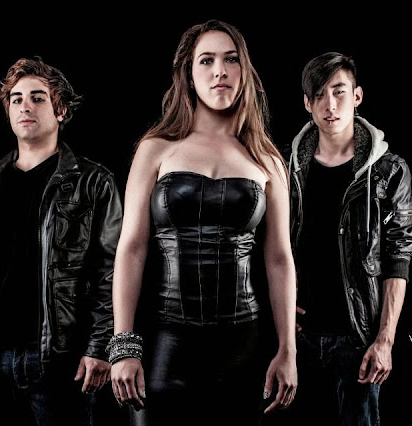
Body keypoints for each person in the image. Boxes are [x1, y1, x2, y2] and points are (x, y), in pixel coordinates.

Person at [108, 19, 298, 426]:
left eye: (231, 60)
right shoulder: (155, 148)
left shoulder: (267, 160)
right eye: (206, 61)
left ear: (244, 71)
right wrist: (124, 345)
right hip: (166, 341)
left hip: (244, 347)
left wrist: (288, 351)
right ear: (188, 74)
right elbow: (132, 248)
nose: (219, 71)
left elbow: (280, 259)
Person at [0, 56, 124, 426]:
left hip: (58, 360)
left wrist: (100, 346)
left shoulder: (93, 182)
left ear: (61, 110)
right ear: (8, 111)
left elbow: (113, 268)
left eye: (38, 98)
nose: (25, 106)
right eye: (17, 99)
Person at [278, 52, 412, 425]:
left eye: (339, 92)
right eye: (320, 95)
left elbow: (399, 256)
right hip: (296, 340)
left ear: (357, 96)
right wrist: (277, 312)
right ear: (306, 103)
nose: (330, 105)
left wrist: (385, 341)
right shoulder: (284, 168)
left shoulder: (389, 171)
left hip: (358, 339)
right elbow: (264, 246)